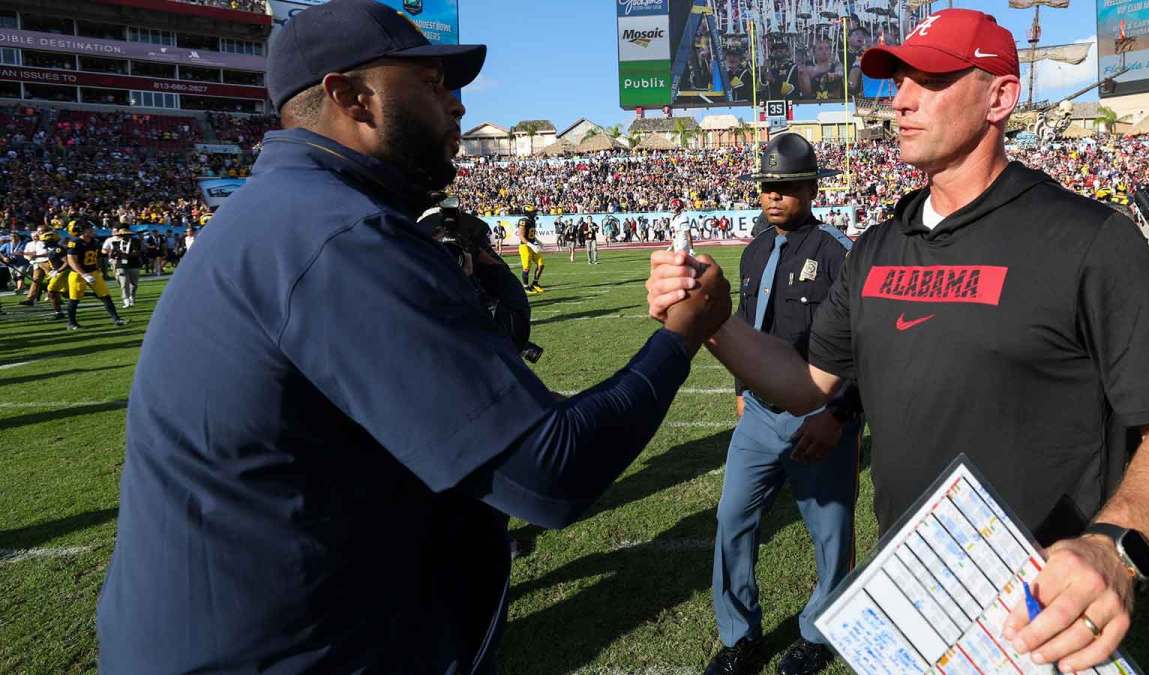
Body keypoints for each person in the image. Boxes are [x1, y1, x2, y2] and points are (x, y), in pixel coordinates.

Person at [95, 2, 731, 673]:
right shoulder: (337, 235)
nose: (455, 104)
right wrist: (681, 335)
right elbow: (551, 472)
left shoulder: (291, 211)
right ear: (350, 97)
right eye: (429, 84)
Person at [647, 9, 1149, 673]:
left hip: (1042, 618)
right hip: (912, 609)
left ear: (1000, 96)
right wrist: (712, 319)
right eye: (898, 78)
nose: (901, 100)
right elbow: (805, 383)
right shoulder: (878, 248)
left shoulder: (1087, 240)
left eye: (931, 79)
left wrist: (1114, 544)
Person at [704, 134, 863, 675]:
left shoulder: (839, 253)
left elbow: (866, 346)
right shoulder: (752, 251)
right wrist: (740, 393)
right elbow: (749, 332)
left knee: (830, 532)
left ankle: (819, 633)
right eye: (767, 186)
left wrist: (837, 415)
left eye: (786, 186)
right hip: (760, 413)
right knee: (732, 519)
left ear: (812, 187)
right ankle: (739, 637)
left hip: (818, 416)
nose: (773, 196)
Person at [64, 220, 127, 330]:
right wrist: (84, 274)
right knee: (74, 299)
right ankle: (71, 323)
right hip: (77, 274)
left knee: (105, 295)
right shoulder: (75, 243)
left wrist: (97, 268)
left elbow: (95, 257)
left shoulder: (94, 241)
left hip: (93, 272)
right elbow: (72, 261)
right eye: (89, 228)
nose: (92, 230)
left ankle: (116, 319)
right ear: (82, 231)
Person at [110, 228, 142, 308]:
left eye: (125, 235)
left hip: (133, 264)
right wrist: (115, 255)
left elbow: (136, 253)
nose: (124, 237)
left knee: (134, 284)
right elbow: (112, 255)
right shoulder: (116, 243)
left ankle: (132, 296)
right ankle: (126, 299)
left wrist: (124, 254)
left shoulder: (135, 242)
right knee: (124, 283)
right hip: (121, 265)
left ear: (129, 235)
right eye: (122, 235)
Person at [40, 230, 68, 320]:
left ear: (50, 241)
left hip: (62, 272)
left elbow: (67, 262)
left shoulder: (58, 249)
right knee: (66, 294)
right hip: (58, 272)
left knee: (51, 291)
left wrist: (58, 271)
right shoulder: (52, 249)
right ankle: (59, 312)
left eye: (44, 241)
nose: (43, 242)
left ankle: (59, 313)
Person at [517, 204, 545, 293]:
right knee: (526, 267)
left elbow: (531, 235)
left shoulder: (532, 221)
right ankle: (525, 286)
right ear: (528, 213)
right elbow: (521, 236)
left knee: (541, 264)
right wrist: (531, 245)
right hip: (525, 246)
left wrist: (538, 241)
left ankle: (535, 283)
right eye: (533, 212)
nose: (535, 213)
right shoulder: (523, 221)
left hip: (532, 245)